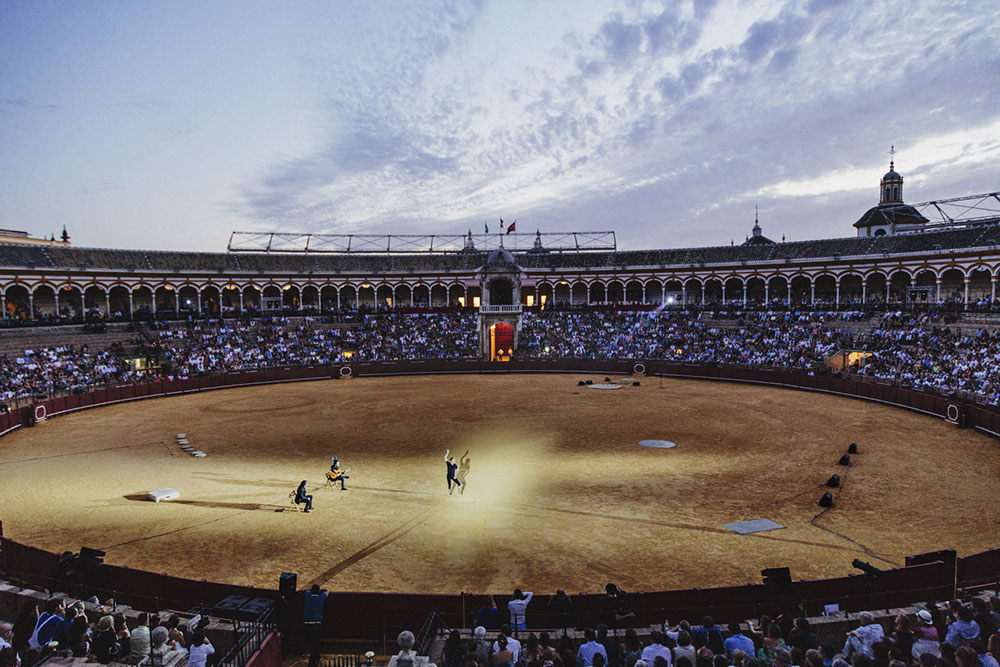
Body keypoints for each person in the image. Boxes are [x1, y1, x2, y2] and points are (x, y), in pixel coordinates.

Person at [304, 584, 328, 667]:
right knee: (315, 644)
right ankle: (312, 663)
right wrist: (321, 591)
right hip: (317, 626)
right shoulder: (320, 598)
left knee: (312, 644)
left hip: (307, 625)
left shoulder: (307, 597)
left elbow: (307, 591)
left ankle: (317, 657)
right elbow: (327, 591)